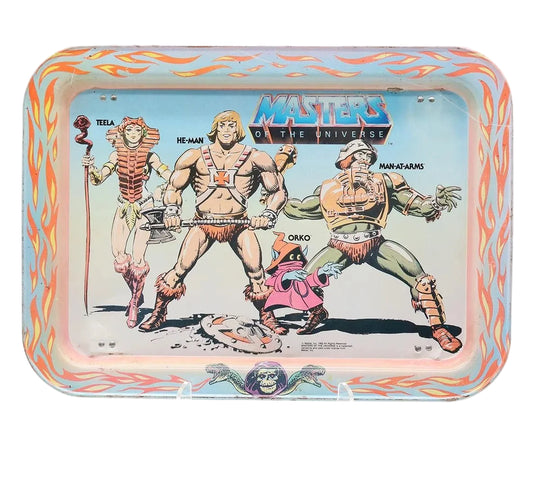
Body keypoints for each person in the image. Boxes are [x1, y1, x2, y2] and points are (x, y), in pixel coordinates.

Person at [284, 139, 463, 353]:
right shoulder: (328, 188)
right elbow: (299, 209)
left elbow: (415, 204)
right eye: (359, 154)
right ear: (346, 159)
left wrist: (435, 202)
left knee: (422, 281)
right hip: (339, 245)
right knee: (303, 281)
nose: (365, 159)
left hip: (375, 243)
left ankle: (439, 328)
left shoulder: (385, 181)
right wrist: (276, 195)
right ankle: (317, 312)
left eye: (368, 156)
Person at [138, 110, 289, 334]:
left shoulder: (256, 157)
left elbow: (278, 191)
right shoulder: (194, 156)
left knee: (256, 271)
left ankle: (267, 315)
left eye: (231, 125)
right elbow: (173, 188)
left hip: (239, 224)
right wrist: (171, 211)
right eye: (222, 125)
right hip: (203, 223)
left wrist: (269, 214)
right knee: (181, 268)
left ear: (238, 130)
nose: (226, 130)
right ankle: (158, 312)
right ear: (215, 128)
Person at [81, 116, 171, 328]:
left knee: (138, 260)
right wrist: (91, 168)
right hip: (123, 207)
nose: (133, 134)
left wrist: (164, 188)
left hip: (145, 207)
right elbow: (99, 178)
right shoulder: (115, 155)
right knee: (120, 258)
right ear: (122, 133)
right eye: (129, 130)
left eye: (137, 131)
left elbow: (171, 176)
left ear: (143, 134)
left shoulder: (150, 156)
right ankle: (136, 293)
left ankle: (134, 304)